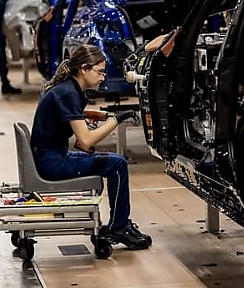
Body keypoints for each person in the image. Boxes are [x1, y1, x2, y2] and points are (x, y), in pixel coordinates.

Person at [30, 44, 152, 250]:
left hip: (48, 156)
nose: (103, 77)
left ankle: (118, 224)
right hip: (51, 163)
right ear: (84, 69)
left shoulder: (68, 88)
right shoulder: (68, 93)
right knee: (117, 164)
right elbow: (85, 140)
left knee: (106, 161)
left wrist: (98, 115)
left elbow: (73, 116)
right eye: (100, 71)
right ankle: (119, 227)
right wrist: (114, 121)